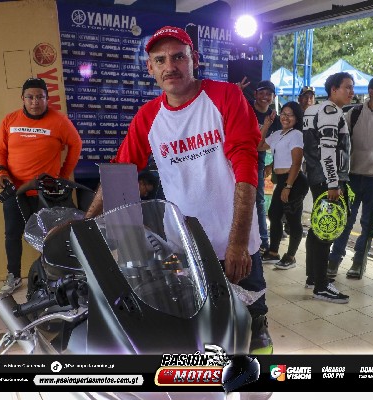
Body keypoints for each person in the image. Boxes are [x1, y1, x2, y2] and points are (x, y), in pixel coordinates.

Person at [85, 26, 272, 354]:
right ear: (150, 68)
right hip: (183, 248)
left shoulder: (226, 96)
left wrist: (239, 243)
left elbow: (246, 169)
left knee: (251, 330)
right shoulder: (148, 117)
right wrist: (84, 224)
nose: (170, 66)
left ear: (194, 59)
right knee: (196, 332)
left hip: (236, 243)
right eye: (160, 60)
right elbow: (120, 172)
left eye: (178, 57)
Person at [0, 77, 82, 294]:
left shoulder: (59, 121)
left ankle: (53, 275)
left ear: (47, 98)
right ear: (23, 98)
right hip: (16, 191)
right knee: (12, 234)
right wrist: (0, 172)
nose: (35, 102)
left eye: (40, 97)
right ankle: (14, 276)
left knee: (51, 236)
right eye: (30, 97)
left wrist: (62, 175)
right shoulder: (10, 120)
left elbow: (76, 144)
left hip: (47, 193)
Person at [327, 75, 373, 279]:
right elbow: (342, 144)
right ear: (371, 91)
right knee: (345, 220)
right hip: (351, 177)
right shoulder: (354, 113)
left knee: (368, 223)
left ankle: (359, 262)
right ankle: (334, 259)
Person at [303, 72, 354, 303]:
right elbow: (327, 150)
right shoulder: (330, 112)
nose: (351, 92)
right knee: (326, 230)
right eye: (347, 87)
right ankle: (321, 286)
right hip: (327, 180)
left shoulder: (313, 110)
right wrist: (333, 183)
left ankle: (314, 277)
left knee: (318, 229)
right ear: (333, 89)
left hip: (317, 177)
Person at [259, 101, 308, 269]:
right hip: (282, 180)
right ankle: (273, 252)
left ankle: (291, 256)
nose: (285, 117)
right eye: (284, 114)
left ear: (297, 118)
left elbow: (296, 162)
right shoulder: (279, 134)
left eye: (290, 115)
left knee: (293, 220)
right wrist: (266, 125)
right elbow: (259, 145)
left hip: (294, 181)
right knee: (274, 214)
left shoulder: (296, 134)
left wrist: (288, 186)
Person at [238, 77, 282, 254]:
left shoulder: (274, 118)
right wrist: (237, 91)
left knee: (258, 200)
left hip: (258, 160)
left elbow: (280, 144)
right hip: (237, 156)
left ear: (273, 97)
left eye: (269, 94)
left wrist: (272, 165)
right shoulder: (246, 107)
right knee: (235, 196)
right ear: (255, 94)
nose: (265, 96)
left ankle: (263, 240)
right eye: (262, 93)